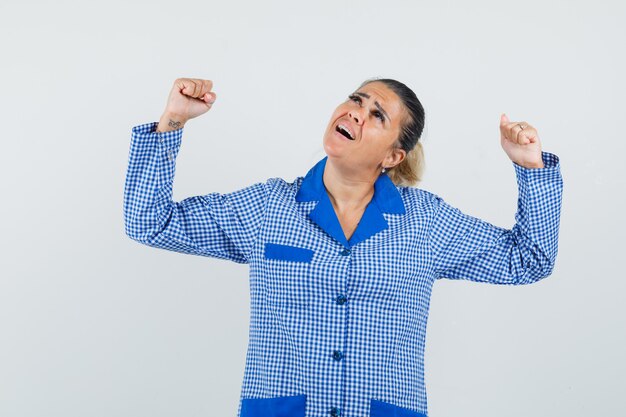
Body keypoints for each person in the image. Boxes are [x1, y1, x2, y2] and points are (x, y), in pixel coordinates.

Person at [123, 77, 563, 417]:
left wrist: (531, 170)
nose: (357, 112)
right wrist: (173, 120)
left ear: (393, 156)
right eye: (356, 100)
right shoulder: (268, 207)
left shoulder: (425, 222)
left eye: (377, 115)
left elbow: (528, 259)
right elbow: (149, 222)